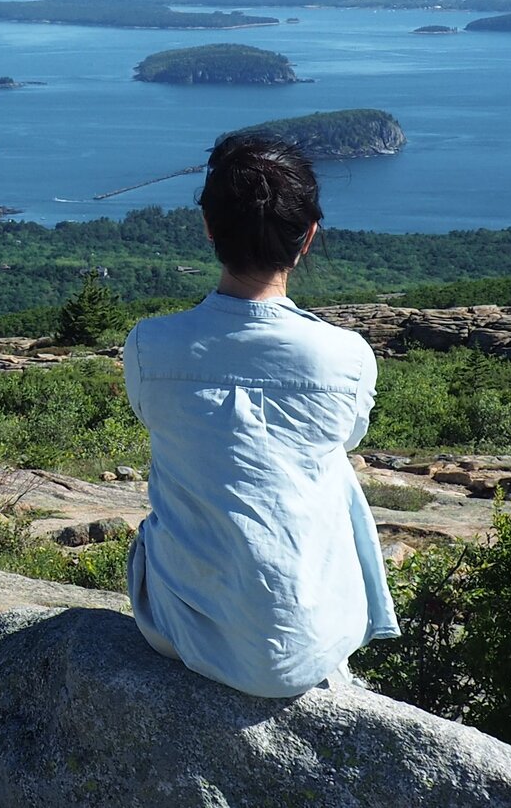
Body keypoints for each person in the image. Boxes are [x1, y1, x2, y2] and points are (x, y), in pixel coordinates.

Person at [122, 129, 397, 698]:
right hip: (311, 640)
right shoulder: (346, 355)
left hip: (180, 630)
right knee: (333, 469)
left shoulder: (150, 344)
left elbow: (154, 417)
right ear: (308, 237)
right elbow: (350, 435)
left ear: (209, 228)